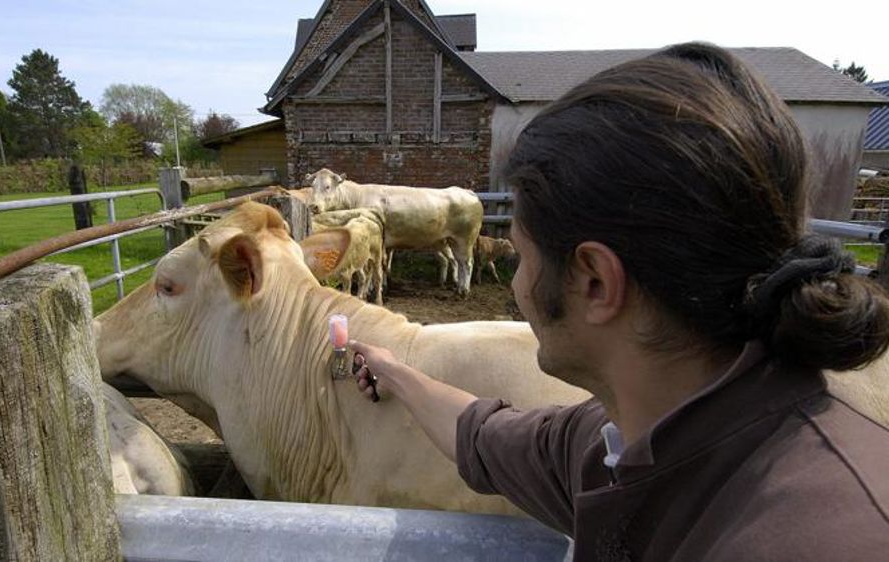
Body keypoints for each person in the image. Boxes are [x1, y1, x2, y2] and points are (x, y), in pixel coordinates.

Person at [348, 42, 889, 561]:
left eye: (520, 256)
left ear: (596, 283)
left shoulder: (822, 539)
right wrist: (395, 370)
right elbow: (483, 437)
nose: (515, 284)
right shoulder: (626, 438)